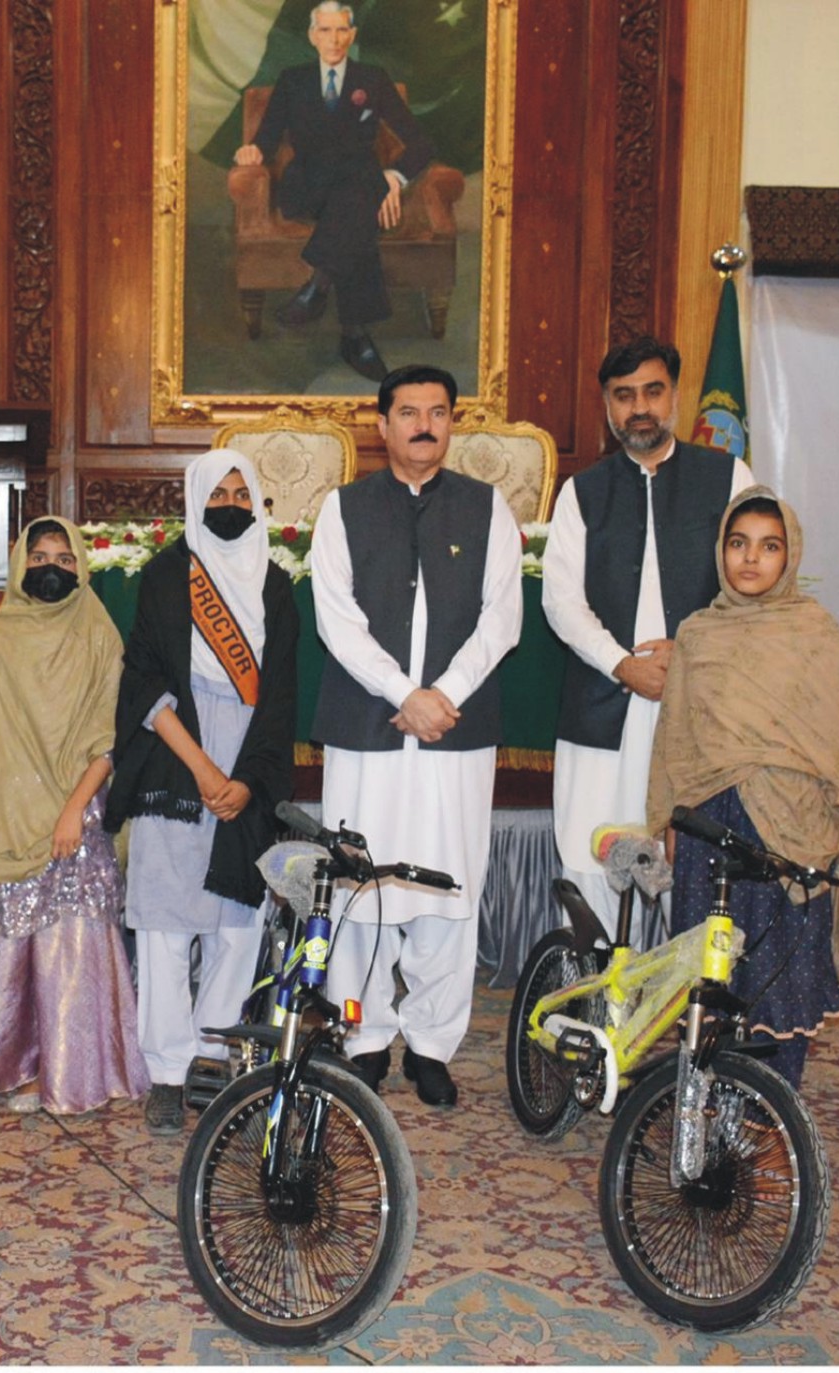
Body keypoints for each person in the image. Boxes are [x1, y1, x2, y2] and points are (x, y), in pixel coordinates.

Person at [310, 363, 522, 1108]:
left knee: (447, 885)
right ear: (382, 424)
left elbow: (504, 618)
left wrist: (443, 697)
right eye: (409, 412)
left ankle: (432, 1044)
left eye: (438, 411)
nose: (424, 424)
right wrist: (406, 694)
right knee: (358, 885)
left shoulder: (489, 509)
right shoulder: (342, 509)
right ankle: (363, 1037)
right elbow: (336, 619)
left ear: (453, 422)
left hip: (455, 733)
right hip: (369, 724)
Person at [646, 487, 839, 1088]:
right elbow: (676, 735)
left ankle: (772, 1118)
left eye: (768, 546)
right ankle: (703, 1113)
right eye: (738, 544)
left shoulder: (815, 632)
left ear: (790, 556)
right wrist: (668, 823)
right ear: (721, 552)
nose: (751, 559)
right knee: (711, 982)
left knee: (780, 983)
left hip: (793, 836)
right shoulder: (699, 633)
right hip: (711, 829)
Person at [105, 450, 299, 1134]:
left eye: (244, 490)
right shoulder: (164, 575)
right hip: (175, 758)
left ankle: (213, 1059)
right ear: (194, 497)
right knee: (163, 921)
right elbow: (143, 682)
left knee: (236, 922)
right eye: (219, 490)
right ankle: (165, 1068)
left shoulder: (275, 585)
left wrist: (246, 778)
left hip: (251, 762)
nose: (232, 501)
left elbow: (279, 696)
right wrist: (204, 770)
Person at [542, 336, 752, 944]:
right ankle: (591, 1012)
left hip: (698, 707)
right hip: (601, 706)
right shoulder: (582, 490)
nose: (640, 408)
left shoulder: (729, 476)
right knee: (590, 854)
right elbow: (561, 601)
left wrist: (687, 656)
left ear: (676, 397)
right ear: (607, 406)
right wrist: (619, 664)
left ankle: (685, 1023)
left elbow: (752, 588)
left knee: (694, 865)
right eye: (624, 395)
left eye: (652, 392)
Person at [0, 517, 149, 1115]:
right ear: (19, 564)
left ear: (81, 568)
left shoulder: (98, 634)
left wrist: (71, 810)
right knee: (17, 946)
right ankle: (15, 1065)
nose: (52, 568)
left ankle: (78, 1073)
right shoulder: (0, 635)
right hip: (11, 815)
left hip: (75, 815)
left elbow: (108, 739)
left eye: (65, 558)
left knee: (72, 945)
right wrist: (0, 809)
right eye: (39, 556)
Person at [233, 2, 437, 383]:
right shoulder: (293, 79)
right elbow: (266, 137)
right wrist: (252, 150)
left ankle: (324, 296)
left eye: (341, 30)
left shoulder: (372, 79)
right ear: (312, 36)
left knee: (356, 195)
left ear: (353, 35)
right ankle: (353, 333)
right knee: (360, 194)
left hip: (356, 188)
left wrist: (394, 176)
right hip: (305, 186)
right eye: (324, 31)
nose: (334, 39)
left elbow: (421, 143)